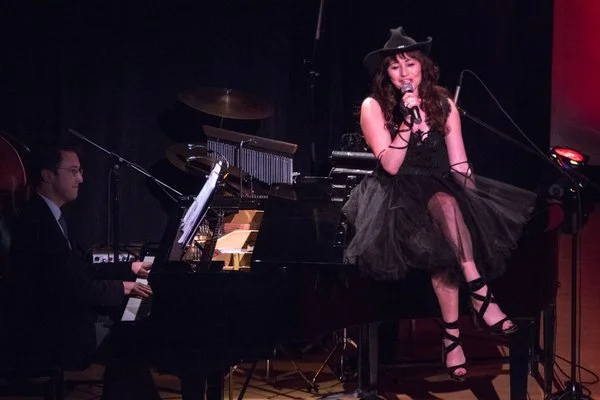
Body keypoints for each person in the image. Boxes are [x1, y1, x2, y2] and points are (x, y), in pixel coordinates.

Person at [342, 27, 537, 381]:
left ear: (423, 67)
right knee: (444, 213)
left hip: (441, 190)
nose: (404, 73)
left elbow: (459, 164)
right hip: (396, 197)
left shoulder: (444, 104)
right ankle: (479, 296)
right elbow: (391, 165)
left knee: (449, 214)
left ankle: (452, 338)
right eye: (395, 67)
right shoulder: (374, 106)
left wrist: (478, 207)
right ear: (386, 74)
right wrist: (406, 122)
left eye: (410, 64)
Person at [4, 143, 159, 399]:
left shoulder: (48, 215)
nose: (81, 179)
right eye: (73, 171)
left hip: (57, 320)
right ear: (47, 175)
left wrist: (128, 267)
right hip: (48, 333)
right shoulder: (38, 223)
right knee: (129, 340)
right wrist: (124, 287)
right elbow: (74, 288)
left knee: (128, 336)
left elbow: (80, 269)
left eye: (81, 171)